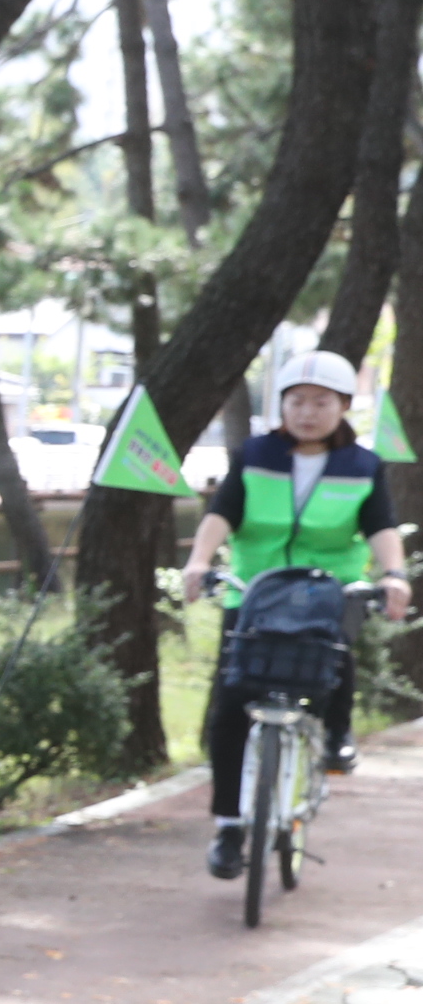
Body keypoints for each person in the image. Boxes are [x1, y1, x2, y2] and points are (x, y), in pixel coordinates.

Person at [179, 347, 412, 874]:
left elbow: (380, 527)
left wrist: (392, 574)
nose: (307, 412)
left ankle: (336, 735)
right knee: (231, 702)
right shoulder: (254, 454)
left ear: (344, 406)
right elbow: (222, 514)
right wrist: (198, 561)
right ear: (282, 405)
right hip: (256, 590)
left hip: (327, 590)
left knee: (335, 656)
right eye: (297, 401)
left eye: (321, 402)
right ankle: (228, 826)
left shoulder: (363, 465)